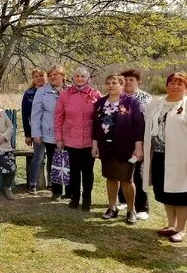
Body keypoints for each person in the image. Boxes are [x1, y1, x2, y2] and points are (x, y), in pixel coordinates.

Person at [92, 74, 144, 225]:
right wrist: (95, 145)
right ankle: (112, 207)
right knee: (111, 178)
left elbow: (138, 125)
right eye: (108, 83)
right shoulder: (101, 102)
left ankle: (130, 210)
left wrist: (138, 147)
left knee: (127, 179)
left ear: (122, 85)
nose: (111, 85)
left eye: (114, 83)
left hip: (125, 147)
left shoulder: (131, 102)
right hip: (105, 147)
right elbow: (95, 126)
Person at [142, 72, 187, 243]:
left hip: (180, 157)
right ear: (167, 85)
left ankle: (181, 229)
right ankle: (171, 224)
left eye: (179, 83)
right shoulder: (158, 103)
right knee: (165, 191)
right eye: (172, 83)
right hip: (159, 155)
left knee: (181, 193)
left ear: (185, 86)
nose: (174, 86)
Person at [54, 67, 101, 211]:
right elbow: (58, 118)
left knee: (88, 172)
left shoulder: (95, 94)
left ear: (87, 78)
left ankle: (87, 198)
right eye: (77, 76)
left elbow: (100, 119)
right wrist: (59, 139)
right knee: (73, 172)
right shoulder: (64, 95)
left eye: (83, 76)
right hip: (70, 140)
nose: (79, 78)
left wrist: (98, 141)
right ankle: (74, 197)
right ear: (72, 78)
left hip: (89, 141)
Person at [116, 69, 152, 219]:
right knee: (121, 171)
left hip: (140, 140)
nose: (128, 82)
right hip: (121, 141)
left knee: (138, 173)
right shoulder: (118, 98)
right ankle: (123, 200)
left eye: (131, 79)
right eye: (125, 80)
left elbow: (149, 122)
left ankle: (142, 207)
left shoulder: (146, 98)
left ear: (138, 82)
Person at [31, 65, 69, 201]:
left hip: (70, 133)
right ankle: (57, 191)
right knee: (55, 161)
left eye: (55, 74)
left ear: (63, 76)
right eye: (50, 75)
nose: (52, 77)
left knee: (70, 162)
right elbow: (35, 114)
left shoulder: (71, 90)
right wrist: (36, 133)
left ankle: (70, 191)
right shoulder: (42, 91)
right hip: (50, 132)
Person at [21, 69, 47, 194]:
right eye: (36, 76)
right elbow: (25, 115)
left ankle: (53, 183)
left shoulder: (51, 91)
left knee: (53, 157)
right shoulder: (29, 94)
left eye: (41, 76)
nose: (39, 78)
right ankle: (33, 183)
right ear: (33, 78)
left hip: (51, 130)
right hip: (36, 130)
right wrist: (28, 135)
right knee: (38, 157)